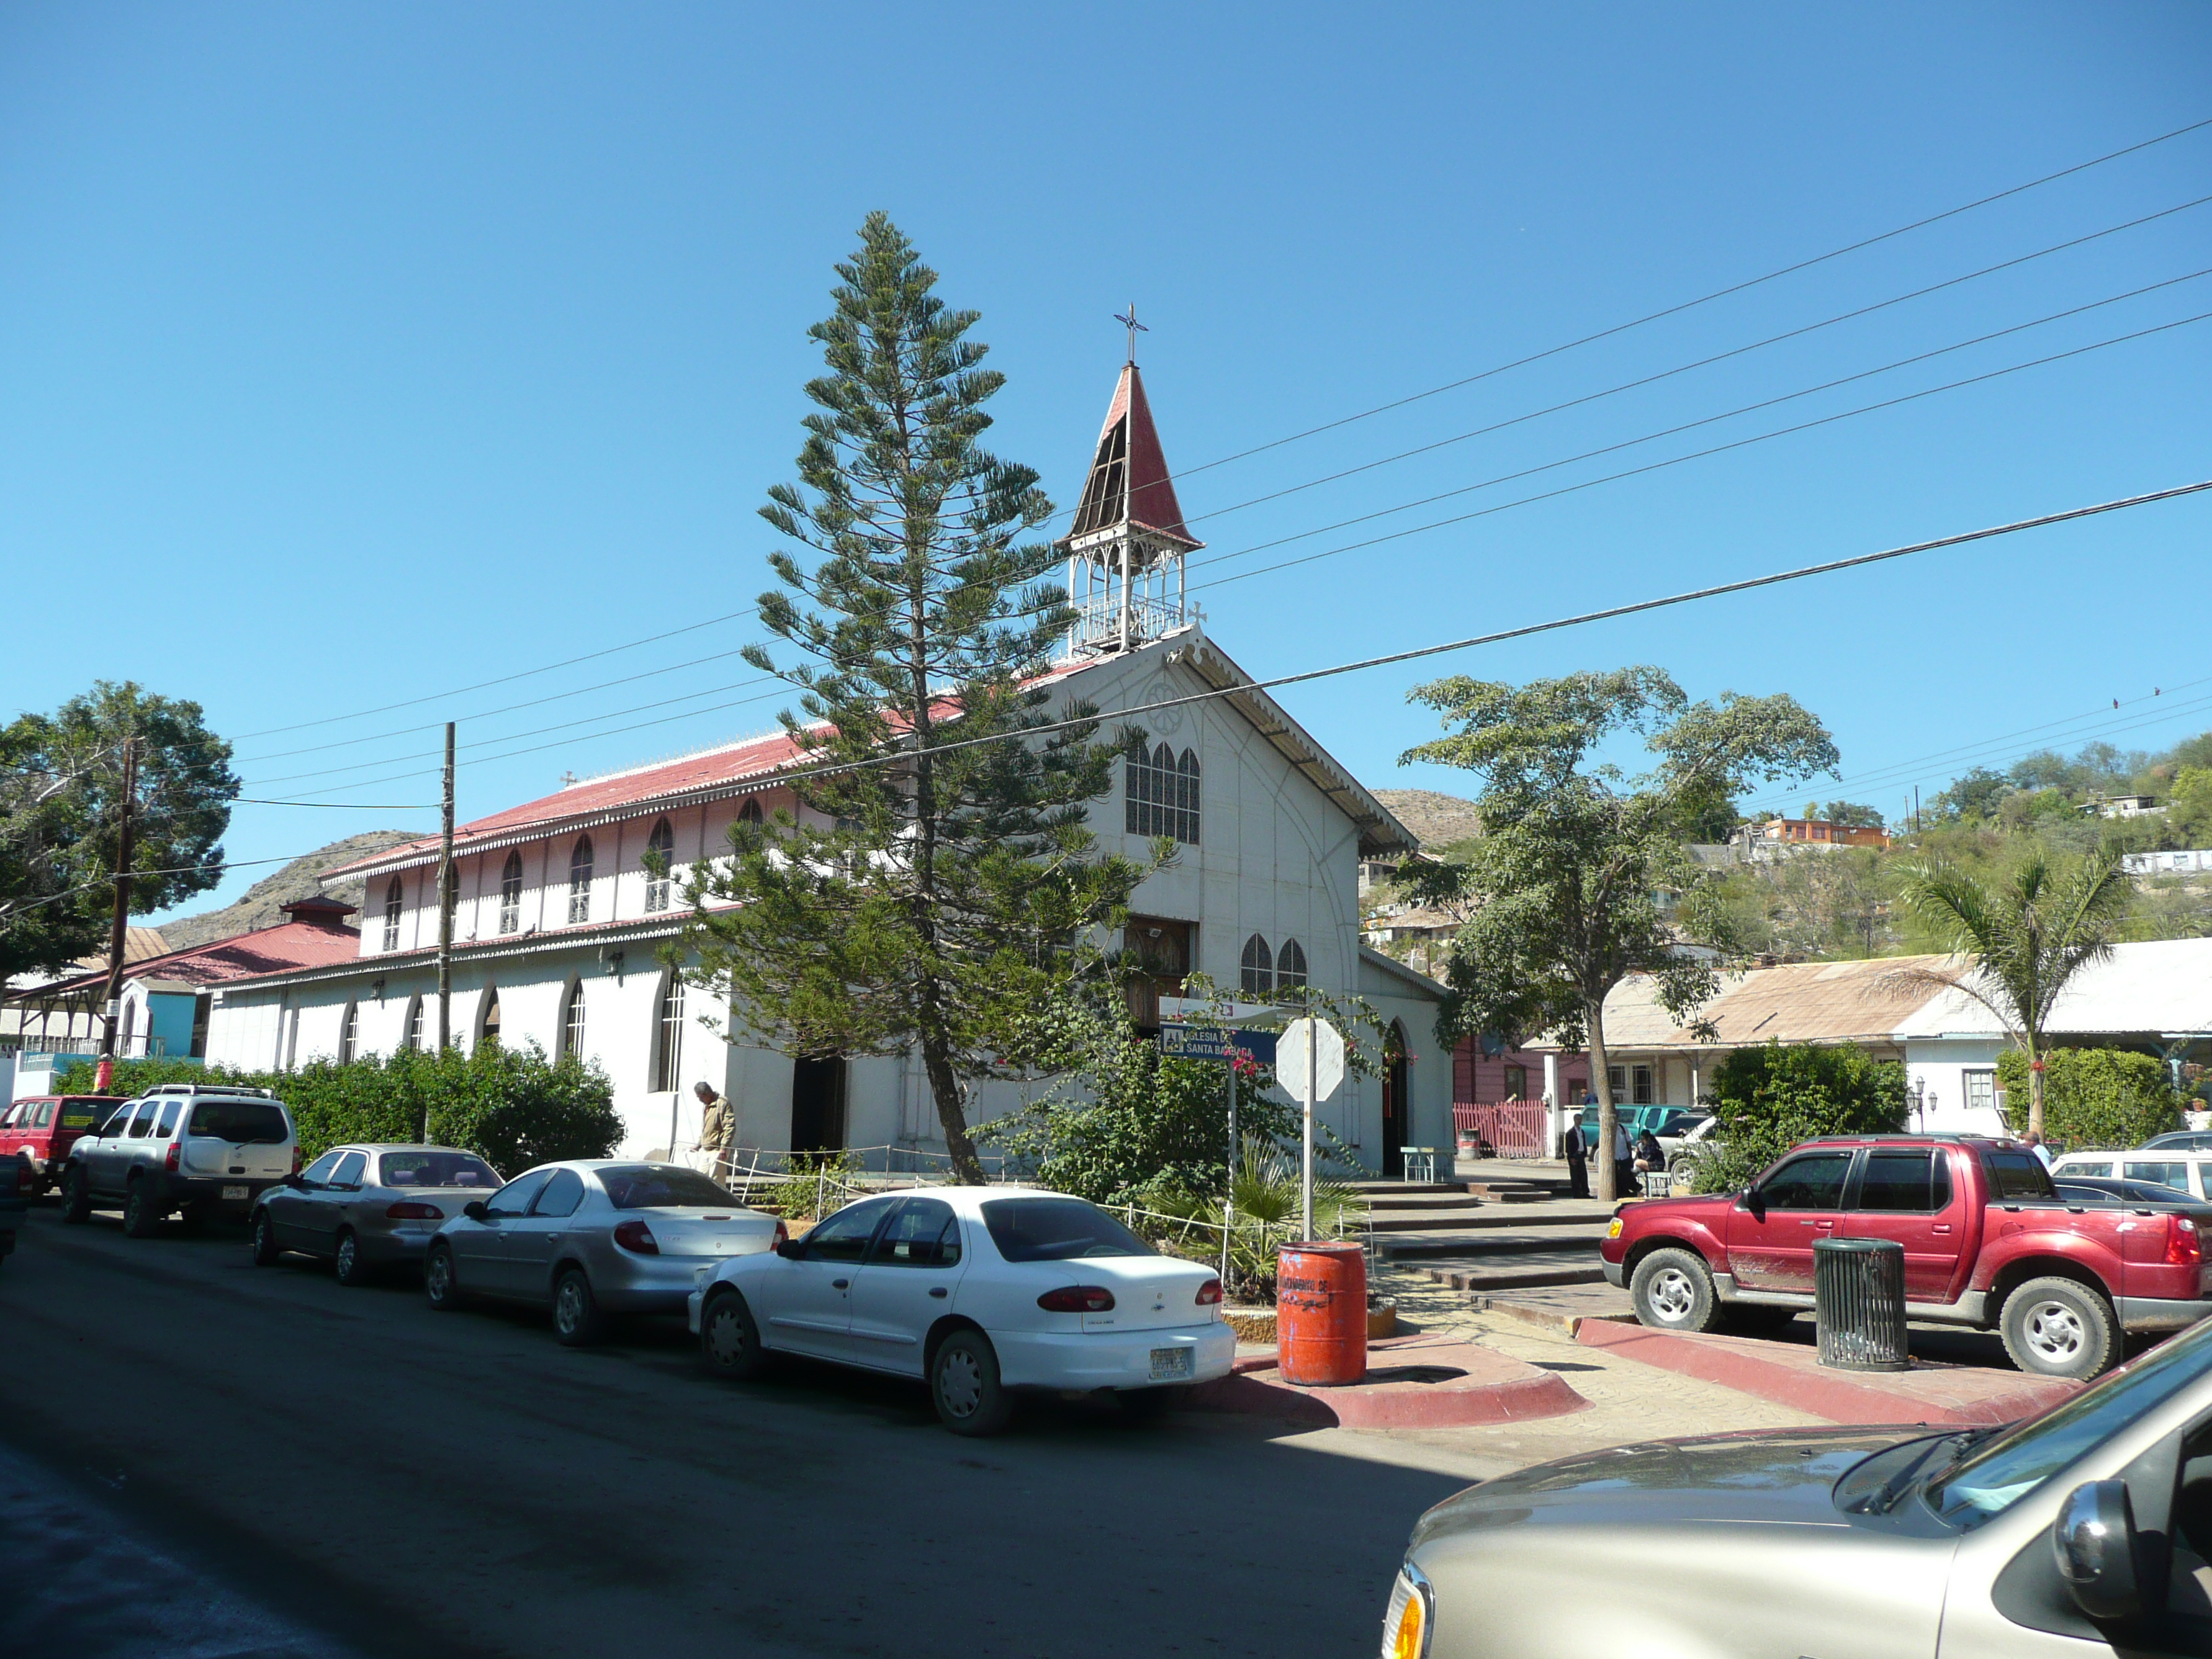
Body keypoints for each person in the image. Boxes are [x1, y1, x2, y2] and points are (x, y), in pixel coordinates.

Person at [694, 1081, 734, 1184]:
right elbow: (707, 1128)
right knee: (699, 1179)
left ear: (707, 1094)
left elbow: (730, 1126)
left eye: (701, 1097)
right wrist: (699, 1144)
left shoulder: (722, 1103)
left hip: (717, 1151)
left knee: (716, 1183)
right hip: (706, 1150)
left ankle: (718, 1201)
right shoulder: (707, 1106)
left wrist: (723, 1147)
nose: (700, 1100)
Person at [1562, 1110, 1588, 1199]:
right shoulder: (1570, 1133)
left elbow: (1583, 1143)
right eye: (1578, 1119)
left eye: (1580, 1119)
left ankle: (1585, 1193)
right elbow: (1568, 1147)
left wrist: (1585, 1153)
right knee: (1575, 1176)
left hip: (1581, 1155)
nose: (1579, 1121)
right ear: (1574, 1120)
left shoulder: (1582, 1131)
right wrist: (1571, 1157)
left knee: (1583, 1175)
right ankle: (1577, 1194)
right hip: (1574, 1155)